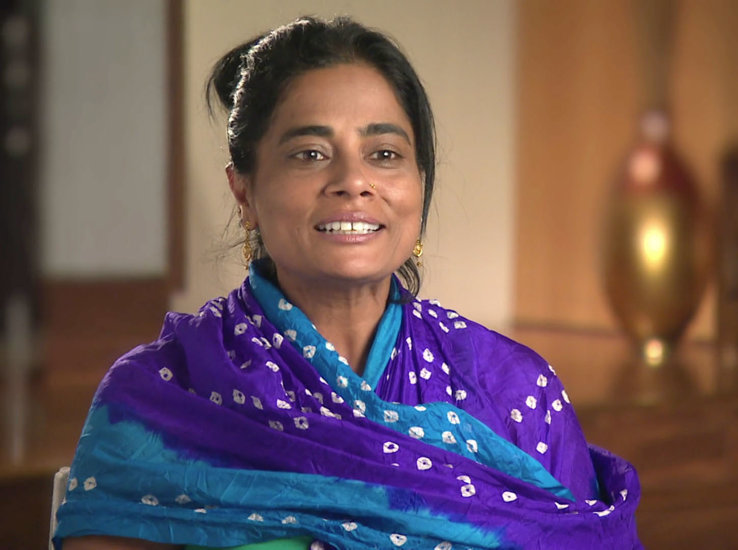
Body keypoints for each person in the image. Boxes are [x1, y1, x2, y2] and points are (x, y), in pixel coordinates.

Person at [55, 16, 642, 550]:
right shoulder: (163, 396)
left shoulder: (515, 393)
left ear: (419, 185)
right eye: (310, 154)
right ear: (244, 192)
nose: (353, 181)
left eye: (384, 153)